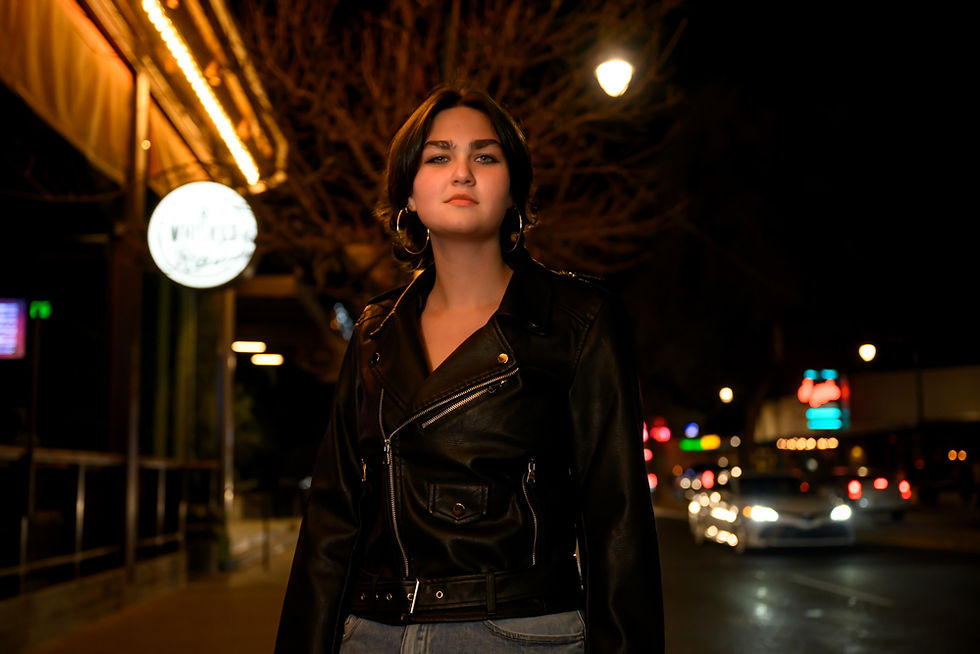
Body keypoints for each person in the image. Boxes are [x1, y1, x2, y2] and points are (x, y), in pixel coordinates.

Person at [275, 86, 663, 653]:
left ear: (514, 192)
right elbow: (332, 520)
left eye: (485, 156)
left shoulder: (577, 320)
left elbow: (618, 519)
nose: (462, 173)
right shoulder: (376, 331)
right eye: (438, 157)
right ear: (408, 189)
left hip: (520, 631)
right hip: (371, 633)